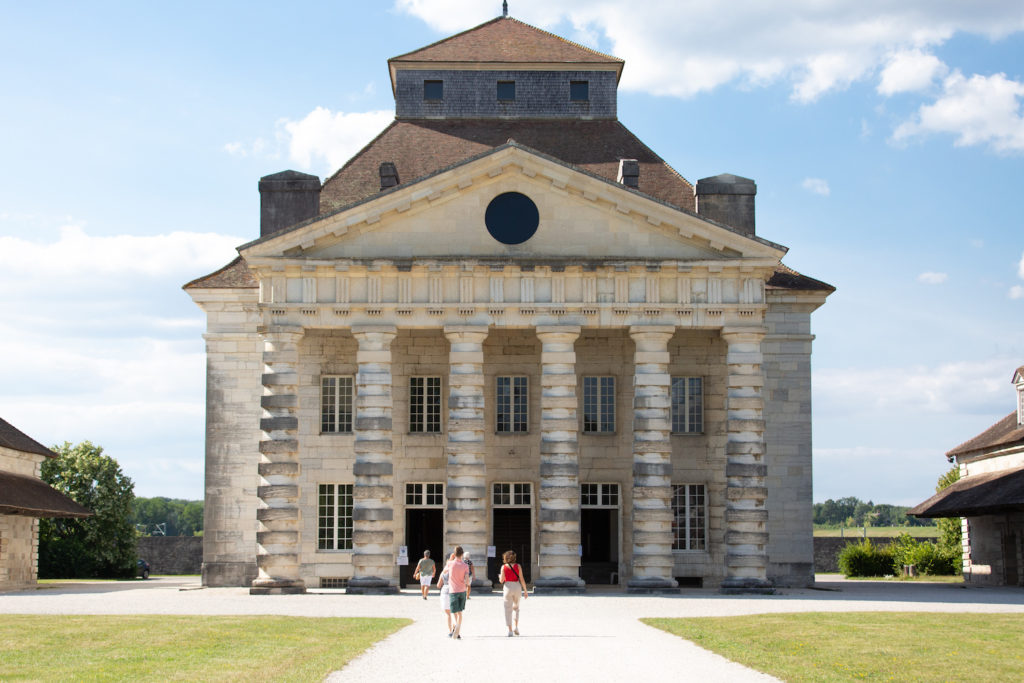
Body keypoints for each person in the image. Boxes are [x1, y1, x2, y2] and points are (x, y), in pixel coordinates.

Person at [499, 549, 528, 637]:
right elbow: (522, 579)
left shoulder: (503, 567)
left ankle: (510, 630)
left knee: (508, 609)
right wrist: (525, 590)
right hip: (517, 586)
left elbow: (501, 581)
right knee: (516, 608)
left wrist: (500, 577)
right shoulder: (518, 566)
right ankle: (516, 626)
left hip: (507, 587)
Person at [447, 546, 471, 639]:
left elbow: (445, 571)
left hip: (453, 590)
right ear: (462, 554)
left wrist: (450, 559)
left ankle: (455, 626)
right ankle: (458, 629)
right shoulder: (465, 565)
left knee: (453, 612)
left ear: (454, 553)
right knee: (460, 612)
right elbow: (467, 580)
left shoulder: (450, 564)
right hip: (462, 590)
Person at [436, 552, 455, 636]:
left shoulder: (443, 572)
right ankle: (455, 628)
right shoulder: (455, 570)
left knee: (448, 614)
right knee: (454, 613)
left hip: (445, 591)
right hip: (454, 590)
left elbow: (438, 585)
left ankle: (450, 631)